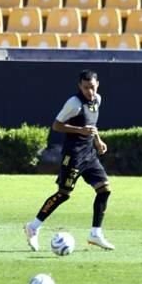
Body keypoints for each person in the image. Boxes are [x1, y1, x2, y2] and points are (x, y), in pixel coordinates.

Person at [24, 69, 115, 252]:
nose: (89, 91)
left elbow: (92, 126)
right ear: (79, 86)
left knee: (104, 189)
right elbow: (56, 125)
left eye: (92, 87)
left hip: (89, 154)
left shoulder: (97, 100)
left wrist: (98, 141)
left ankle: (95, 234)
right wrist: (80, 131)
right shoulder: (74, 103)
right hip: (72, 155)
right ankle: (33, 227)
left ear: (97, 85)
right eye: (85, 87)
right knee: (63, 194)